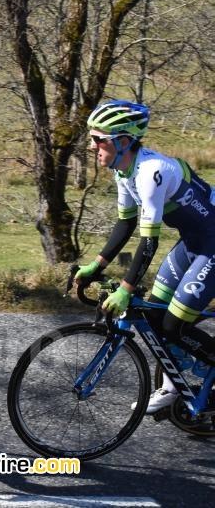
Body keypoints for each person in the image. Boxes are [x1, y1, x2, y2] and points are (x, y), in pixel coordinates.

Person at [75, 99, 215, 414]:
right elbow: (125, 223)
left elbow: (148, 242)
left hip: (213, 245)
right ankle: (172, 387)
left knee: (173, 325)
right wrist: (96, 265)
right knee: (154, 315)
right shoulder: (123, 170)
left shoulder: (152, 172)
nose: (93, 146)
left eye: (100, 140)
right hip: (195, 240)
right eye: (93, 138)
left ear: (124, 141)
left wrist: (125, 289)